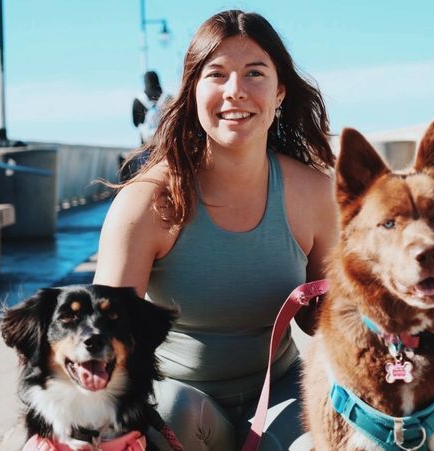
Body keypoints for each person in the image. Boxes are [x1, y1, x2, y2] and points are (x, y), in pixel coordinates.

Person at [94, 10, 337, 451]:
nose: (235, 91)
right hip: (179, 400)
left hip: (281, 395)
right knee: (170, 415)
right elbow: (103, 337)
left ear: (279, 91)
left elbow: (323, 320)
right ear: (192, 92)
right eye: (217, 74)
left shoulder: (314, 194)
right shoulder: (147, 201)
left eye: (254, 74)